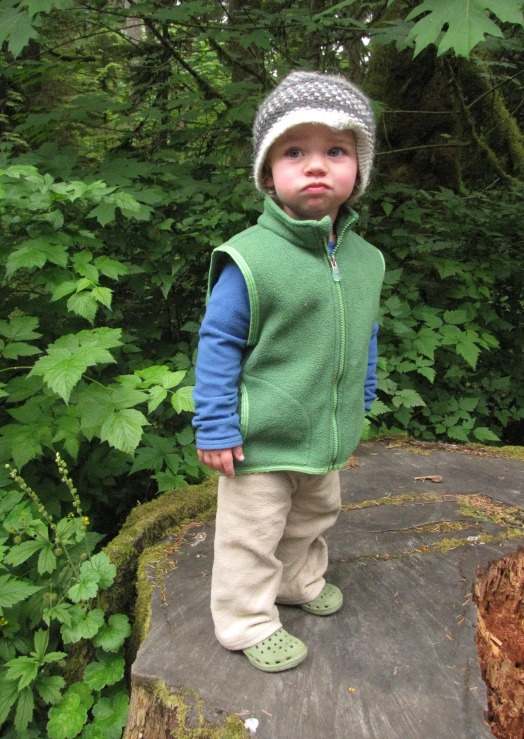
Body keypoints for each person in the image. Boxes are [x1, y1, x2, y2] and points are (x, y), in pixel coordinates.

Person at [192, 71, 384, 673]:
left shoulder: (365, 259)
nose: (317, 166)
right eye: (294, 151)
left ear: (360, 165)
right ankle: (245, 620)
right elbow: (218, 343)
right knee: (251, 535)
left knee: (314, 515)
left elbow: (365, 330)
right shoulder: (250, 257)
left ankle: (297, 581)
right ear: (268, 170)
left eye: (336, 151)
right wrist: (216, 423)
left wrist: (364, 391)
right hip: (261, 440)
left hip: (323, 433)